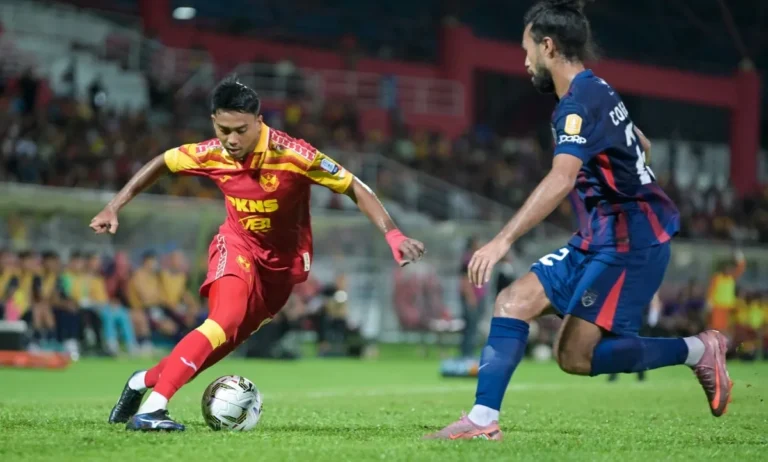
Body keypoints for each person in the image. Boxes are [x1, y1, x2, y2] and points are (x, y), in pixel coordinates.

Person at [426, 0, 730, 441]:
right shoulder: (597, 89)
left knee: (575, 357)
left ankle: (699, 349)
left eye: (527, 49)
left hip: (630, 241)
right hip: (599, 235)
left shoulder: (577, 105)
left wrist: (502, 241)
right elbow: (641, 143)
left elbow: (561, 178)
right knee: (512, 301)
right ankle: (482, 419)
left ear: (548, 47)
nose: (524, 61)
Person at [93, 75, 425, 432]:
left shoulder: (294, 155)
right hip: (236, 245)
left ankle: (141, 382)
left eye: (241, 130)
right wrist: (114, 206)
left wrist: (393, 234)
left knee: (220, 344)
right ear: (214, 122)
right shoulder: (211, 153)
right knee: (223, 321)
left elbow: (354, 187)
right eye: (224, 130)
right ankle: (153, 410)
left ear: (258, 122)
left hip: (280, 270)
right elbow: (163, 161)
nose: (232, 140)